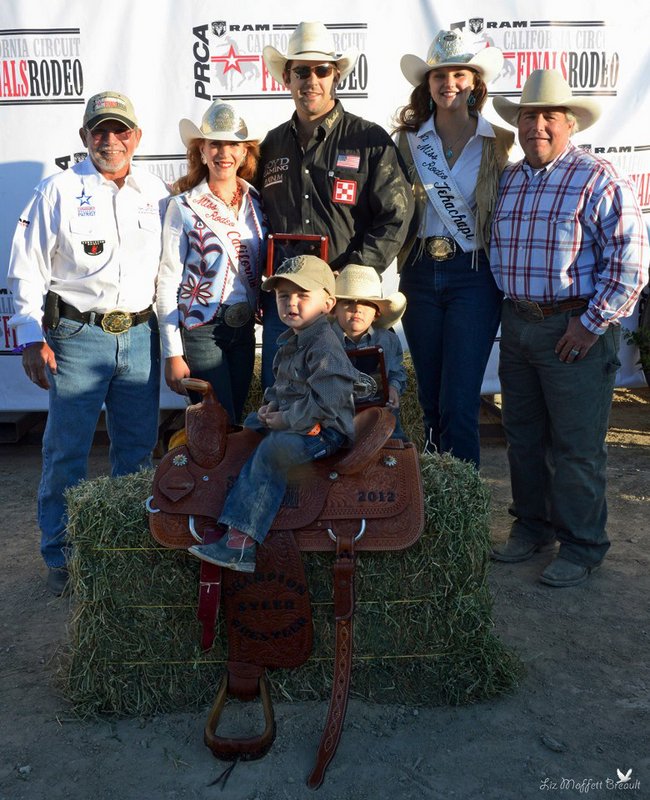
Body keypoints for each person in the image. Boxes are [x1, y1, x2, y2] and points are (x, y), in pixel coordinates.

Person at [489, 69, 648, 587]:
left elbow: (631, 263)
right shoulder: (510, 178)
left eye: (549, 116)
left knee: (577, 446)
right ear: (518, 123)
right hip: (519, 325)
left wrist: (590, 324)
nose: (537, 125)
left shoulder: (599, 177)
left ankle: (582, 546)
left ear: (570, 123)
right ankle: (533, 527)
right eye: (529, 115)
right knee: (524, 437)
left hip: (572, 329)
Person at [7, 91, 169, 595]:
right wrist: (32, 338)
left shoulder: (155, 191)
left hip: (140, 335)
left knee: (137, 451)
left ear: (137, 138)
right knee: (66, 451)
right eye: (99, 130)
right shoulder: (56, 190)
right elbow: (25, 268)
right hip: (77, 336)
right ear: (84, 137)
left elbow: (169, 269)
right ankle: (62, 557)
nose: (110, 140)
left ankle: (127, 552)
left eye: (121, 130)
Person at [258, 20, 414, 388]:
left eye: (321, 70)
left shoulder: (368, 139)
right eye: (301, 71)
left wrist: (352, 277)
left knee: (349, 406)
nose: (311, 80)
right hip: (290, 304)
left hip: (343, 303)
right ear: (286, 77)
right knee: (283, 398)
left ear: (336, 76)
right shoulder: (270, 146)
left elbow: (397, 215)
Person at [188, 255, 359, 571]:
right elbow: (285, 387)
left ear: (328, 303)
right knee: (247, 430)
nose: (291, 303)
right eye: (283, 296)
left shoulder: (324, 344)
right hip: (297, 416)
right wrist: (270, 408)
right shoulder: (291, 340)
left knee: (274, 451)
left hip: (325, 430)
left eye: (302, 295)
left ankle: (241, 543)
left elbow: (329, 401)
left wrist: (287, 420)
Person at [393, 29, 514, 468]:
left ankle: (462, 516)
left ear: (474, 82)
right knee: (430, 400)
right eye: (440, 75)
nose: (450, 83)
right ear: (427, 85)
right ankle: (427, 504)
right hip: (420, 272)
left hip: (474, 275)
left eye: (459, 74)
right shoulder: (406, 142)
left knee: (460, 400)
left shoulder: (498, 141)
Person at [156, 99, 266, 423]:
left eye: (232, 144)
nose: (224, 153)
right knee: (217, 422)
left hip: (244, 329)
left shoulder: (257, 202)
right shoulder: (184, 205)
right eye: (214, 144)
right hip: (201, 329)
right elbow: (167, 282)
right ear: (201, 151)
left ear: (244, 152)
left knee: (233, 421)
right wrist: (172, 352)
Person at [331, 264, 408, 440]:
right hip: (335, 423)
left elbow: (397, 372)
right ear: (333, 309)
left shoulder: (388, 340)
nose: (356, 309)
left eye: (366, 303)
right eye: (348, 302)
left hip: (380, 419)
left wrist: (394, 388)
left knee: (395, 448)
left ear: (377, 313)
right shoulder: (322, 342)